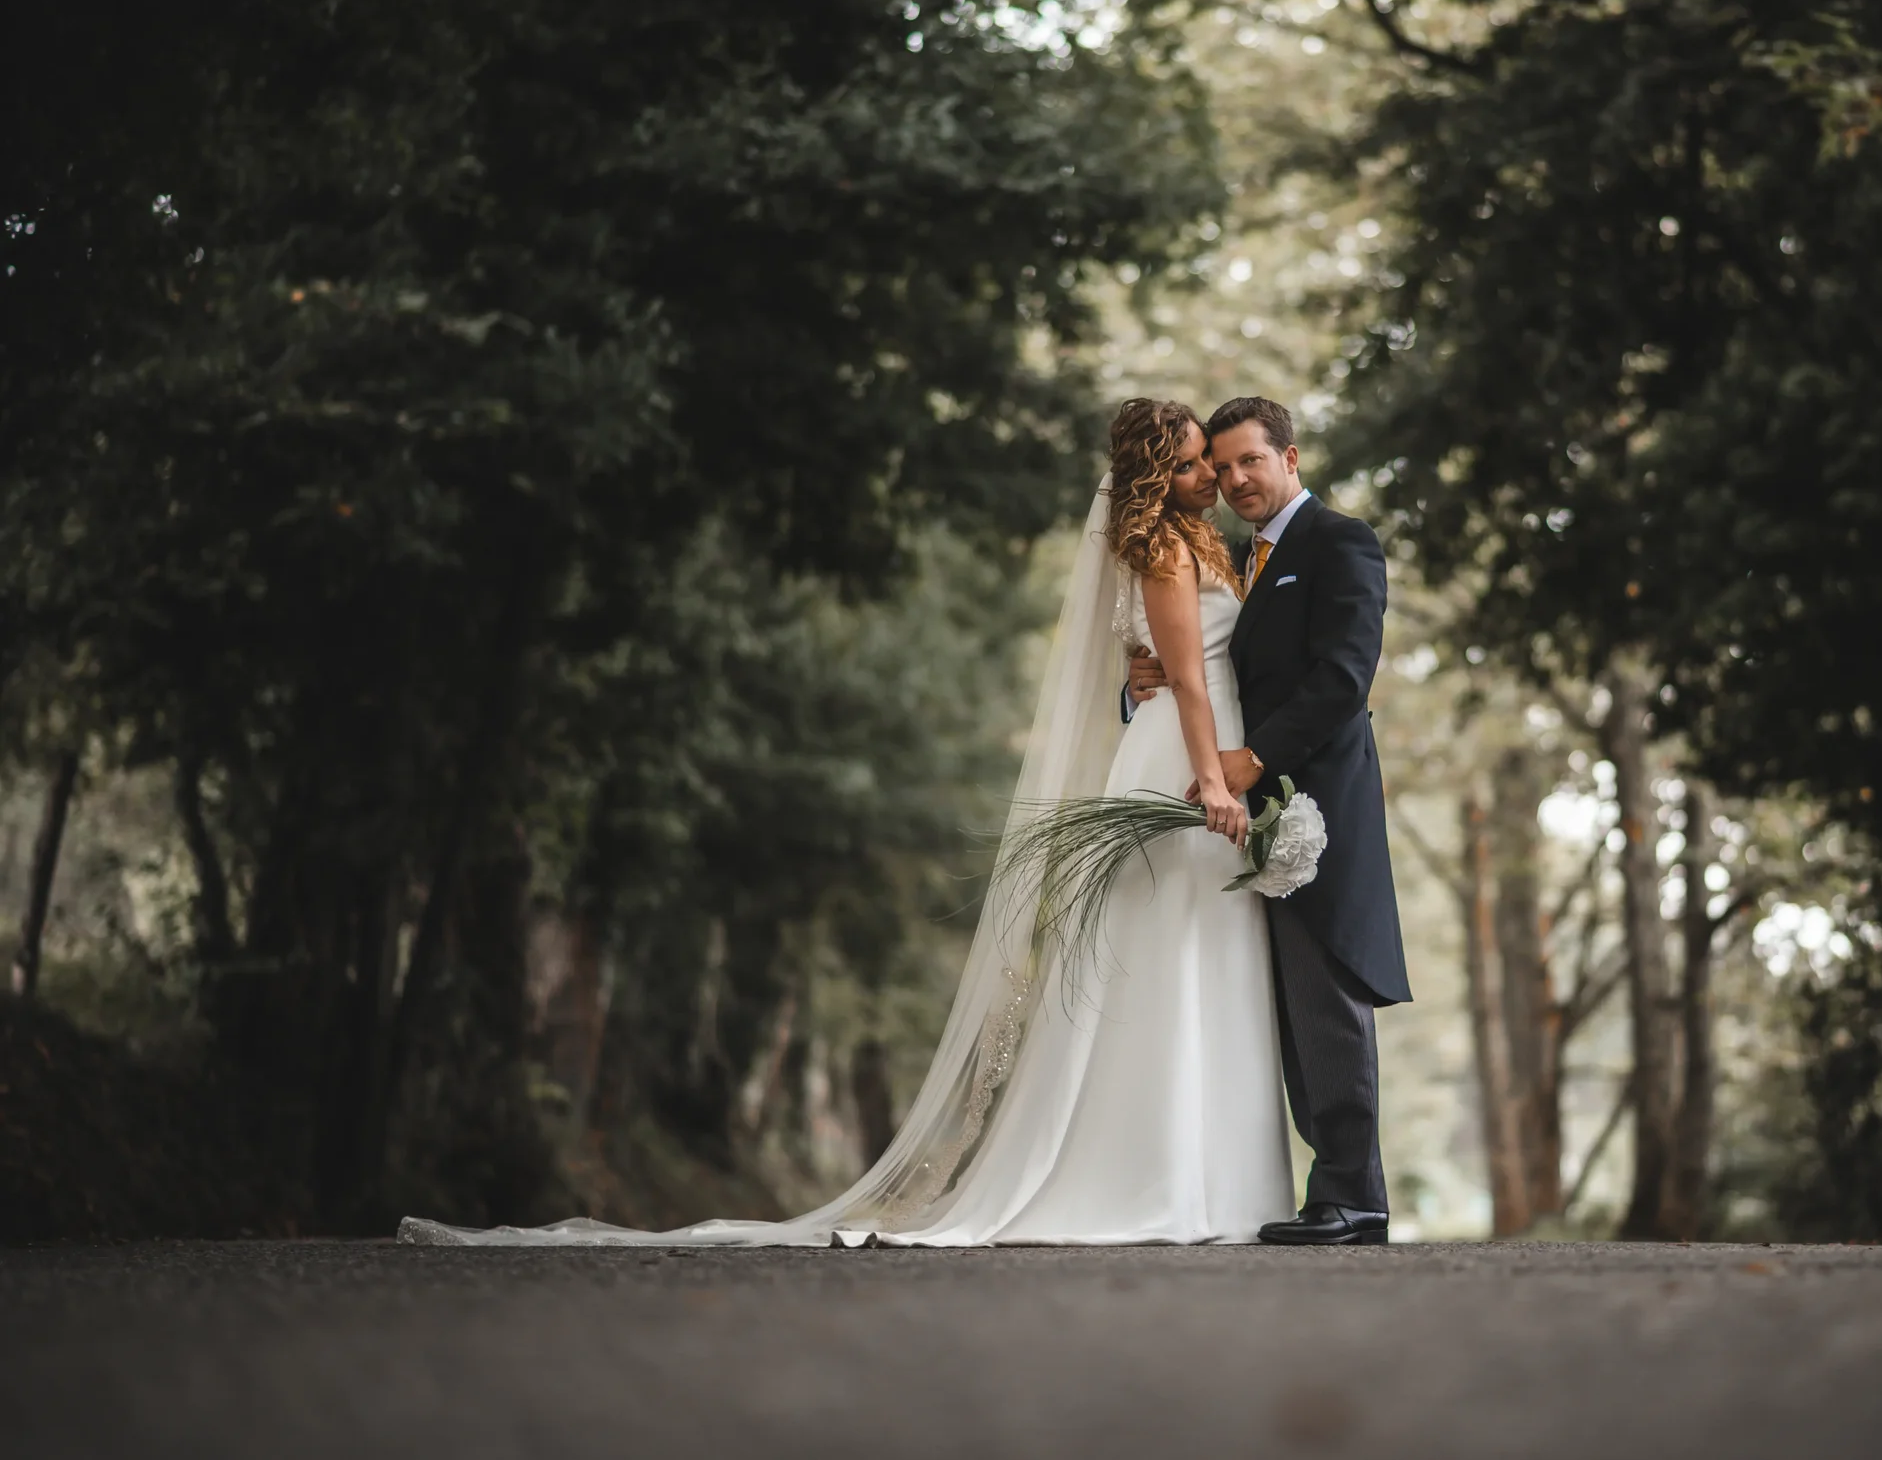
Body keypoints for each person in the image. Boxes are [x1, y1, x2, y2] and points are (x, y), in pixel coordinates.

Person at [400, 398, 1296, 1246]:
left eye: (1208, 464)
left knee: (1208, 952)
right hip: (1186, 760)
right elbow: (1185, 677)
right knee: (1165, 957)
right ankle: (1156, 1177)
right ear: (1153, 478)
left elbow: (1187, 662)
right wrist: (1210, 780)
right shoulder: (1164, 549)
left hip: (1205, 745)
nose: (1209, 478)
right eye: (1190, 466)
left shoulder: (1205, 541)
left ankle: (1216, 1181)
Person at [1125, 396, 1409, 1246]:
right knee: (1285, 1011)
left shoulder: (1339, 542)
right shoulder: (1236, 554)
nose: (1233, 478)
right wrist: (1148, 679)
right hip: (1245, 814)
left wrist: (1252, 760)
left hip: (1317, 798)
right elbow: (1212, 665)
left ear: (1290, 457)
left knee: (1329, 992)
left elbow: (1343, 676)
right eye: (1221, 465)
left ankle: (1355, 1197)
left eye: (1250, 460)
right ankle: (1327, 1192)